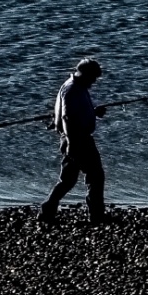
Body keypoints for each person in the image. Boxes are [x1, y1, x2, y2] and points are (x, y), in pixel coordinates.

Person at [38, 58, 108, 224]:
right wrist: (71, 143)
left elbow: (74, 113)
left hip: (75, 138)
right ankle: (97, 215)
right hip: (78, 139)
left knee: (68, 180)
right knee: (95, 176)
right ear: (84, 74)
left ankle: (47, 211)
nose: (94, 81)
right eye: (93, 77)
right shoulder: (72, 89)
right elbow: (67, 117)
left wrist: (93, 112)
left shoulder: (76, 87)